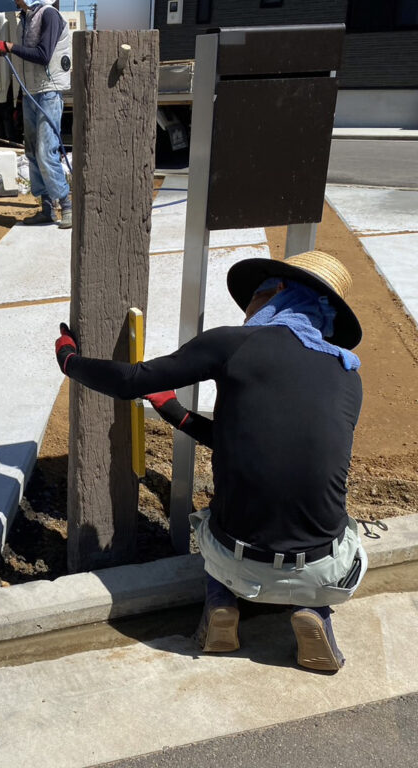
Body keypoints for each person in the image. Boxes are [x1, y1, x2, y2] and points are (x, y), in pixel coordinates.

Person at [53, 251, 368, 672]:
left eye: (254, 298)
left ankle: (221, 604)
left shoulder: (234, 344)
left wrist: (68, 360)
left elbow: (131, 381)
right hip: (324, 571)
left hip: (239, 560)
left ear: (276, 293)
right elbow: (265, 443)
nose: (247, 310)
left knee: (209, 519)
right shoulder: (348, 374)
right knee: (342, 525)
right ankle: (316, 613)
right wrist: (175, 413)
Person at [0, 0, 73, 229]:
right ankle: (46, 208)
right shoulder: (25, 19)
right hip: (31, 93)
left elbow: (43, 54)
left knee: (46, 151)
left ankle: (67, 206)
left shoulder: (49, 15)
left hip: (48, 91)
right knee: (32, 153)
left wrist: (9, 46)